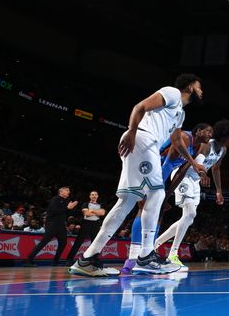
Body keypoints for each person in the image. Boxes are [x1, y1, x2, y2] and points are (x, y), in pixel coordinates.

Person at [70, 74, 206, 277]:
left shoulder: (180, 113)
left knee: (127, 202)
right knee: (156, 195)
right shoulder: (172, 92)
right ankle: (145, 257)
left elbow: (177, 141)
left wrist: (193, 161)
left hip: (145, 143)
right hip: (141, 138)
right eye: (199, 86)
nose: (201, 90)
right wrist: (132, 132)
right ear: (189, 87)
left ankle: (87, 259)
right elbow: (139, 107)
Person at [121, 123, 213, 274]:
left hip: (161, 172)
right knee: (144, 208)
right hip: (150, 167)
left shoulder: (197, 149)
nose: (210, 135)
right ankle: (132, 258)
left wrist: (166, 197)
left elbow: (180, 173)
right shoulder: (184, 137)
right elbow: (166, 163)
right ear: (198, 131)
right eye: (208, 131)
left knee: (159, 212)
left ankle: (147, 254)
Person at [155, 119, 229, 272]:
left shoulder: (223, 151)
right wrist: (202, 173)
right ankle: (172, 255)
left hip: (195, 182)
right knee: (190, 214)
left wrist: (219, 190)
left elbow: (215, 169)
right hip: (184, 176)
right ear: (224, 135)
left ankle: (156, 244)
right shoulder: (207, 145)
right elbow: (194, 164)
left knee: (188, 218)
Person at [25, 186, 78, 266]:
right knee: (43, 242)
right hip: (52, 224)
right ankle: (28, 260)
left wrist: (71, 208)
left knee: (63, 243)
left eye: (69, 191)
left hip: (61, 226)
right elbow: (54, 211)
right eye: (66, 190)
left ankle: (55, 261)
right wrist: (67, 207)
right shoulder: (55, 199)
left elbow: (66, 212)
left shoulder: (67, 200)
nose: (68, 192)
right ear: (61, 191)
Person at [66, 191, 106, 265]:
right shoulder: (85, 204)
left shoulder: (101, 205)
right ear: (90, 196)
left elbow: (102, 213)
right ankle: (69, 259)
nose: (94, 196)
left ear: (98, 196)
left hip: (96, 224)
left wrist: (92, 211)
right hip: (86, 224)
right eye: (92, 195)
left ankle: (94, 259)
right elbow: (86, 214)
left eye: (95, 195)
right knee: (78, 242)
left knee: (95, 243)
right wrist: (97, 212)